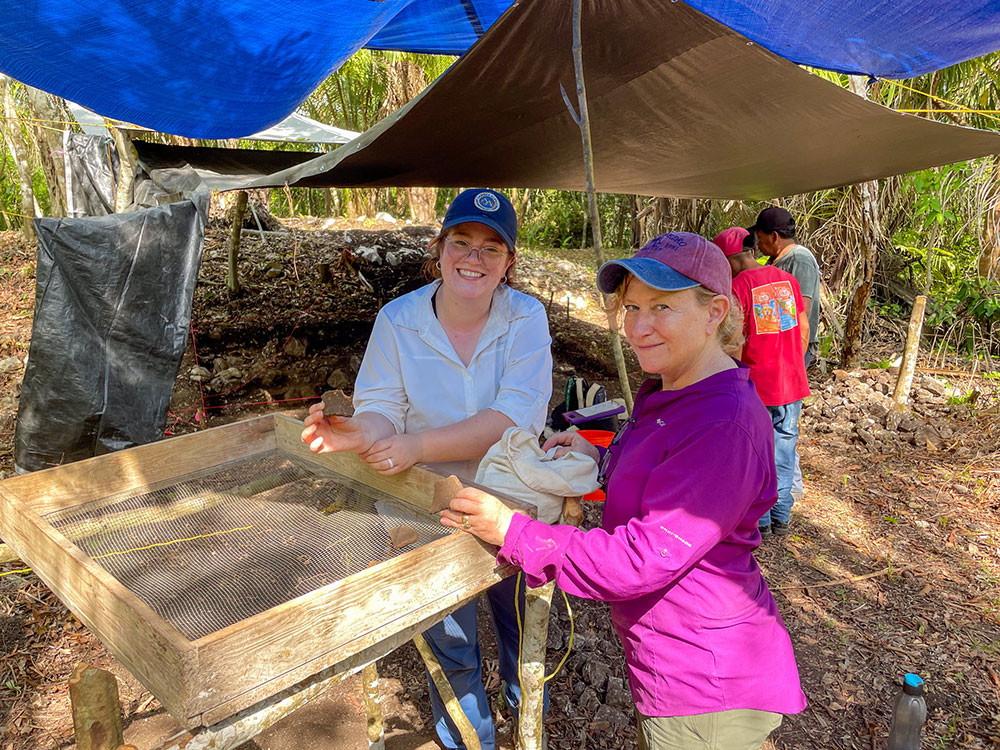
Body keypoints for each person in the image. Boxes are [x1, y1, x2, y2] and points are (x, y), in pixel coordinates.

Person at [441, 232, 807, 750]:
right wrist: (600, 456)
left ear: (714, 312)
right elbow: (663, 474)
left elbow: (640, 559)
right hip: (673, 663)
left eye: (662, 307)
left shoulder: (722, 422)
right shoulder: (675, 387)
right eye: (631, 306)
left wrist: (514, 531)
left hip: (705, 683)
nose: (638, 327)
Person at [301, 189, 553, 750]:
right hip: (422, 501)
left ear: (509, 263)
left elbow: (516, 414)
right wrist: (358, 432)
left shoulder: (526, 317)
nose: (474, 258)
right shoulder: (399, 319)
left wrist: (416, 444)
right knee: (451, 632)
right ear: (438, 250)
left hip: (507, 495)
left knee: (514, 612)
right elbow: (381, 409)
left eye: (493, 248)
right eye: (461, 242)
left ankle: (524, 703)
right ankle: (471, 738)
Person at [715, 227, 810, 536]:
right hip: (791, 381)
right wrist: (794, 362)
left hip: (757, 383)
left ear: (730, 259)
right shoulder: (788, 280)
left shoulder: (739, 287)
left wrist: (730, 380)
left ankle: (762, 520)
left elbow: (734, 342)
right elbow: (803, 327)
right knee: (784, 446)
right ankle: (781, 515)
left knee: (757, 452)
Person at [749, 206, 821, 503]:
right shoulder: (775, 261)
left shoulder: (799, 260)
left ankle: (782, 495)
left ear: (774, 236)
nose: (758, 243)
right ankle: (783, 490)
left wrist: (791, 357)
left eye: (761, 237)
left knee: (782, 426)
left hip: (788, 354)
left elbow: (798, 313)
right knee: (777, 426)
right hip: (774, 354)